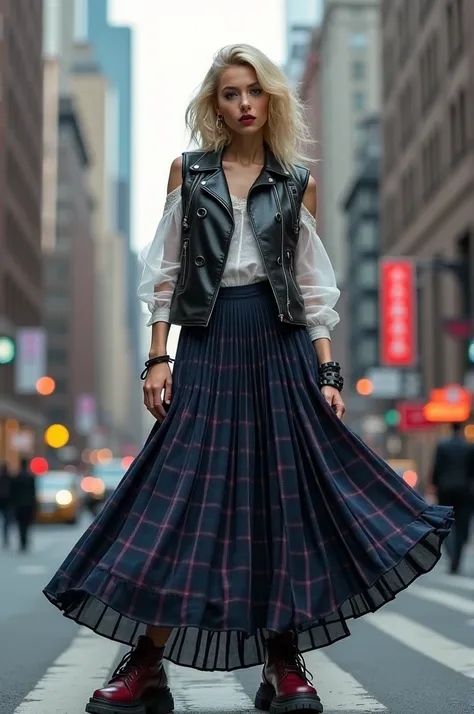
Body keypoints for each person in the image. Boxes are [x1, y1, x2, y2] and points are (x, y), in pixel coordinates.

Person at [43, 44, 453, 714]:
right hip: (206, 343)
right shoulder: (190, 174)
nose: (243, 105)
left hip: (281, 344)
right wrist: (157, 357)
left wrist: (327, 371)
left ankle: (284, 663)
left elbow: (314, 287)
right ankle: (146, 662)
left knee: (281, 503)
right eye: (231, 93)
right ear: (215, 102)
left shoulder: (298, 183)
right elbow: (166, 274)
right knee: (180, 501)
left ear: (271, 101)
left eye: (254, 92)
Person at [431, 422, 474, 574]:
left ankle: (451, 551)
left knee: (446, 524)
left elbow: (436, 469)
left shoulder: (442, 446)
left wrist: (435, 485)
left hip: (445, 490)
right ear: (461, 430)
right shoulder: (469, 447)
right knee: (462, 526)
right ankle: (457, 556)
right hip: (465, 491)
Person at [11, 458, 37, 552]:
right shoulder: (30, 477)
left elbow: (12, 492)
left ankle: (22, 541)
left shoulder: (16, 477)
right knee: (26, 524)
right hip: (28, 504)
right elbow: (34, 492)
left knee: (20, 525)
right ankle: (24, 541)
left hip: (19, 505)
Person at [0, 462, 12, 548]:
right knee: (6, 522)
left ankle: (6, 538)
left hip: (6, 504)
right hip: (7, 504)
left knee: (6, 522)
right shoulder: (10, 479)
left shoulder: (9, 479)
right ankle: (6, 538)